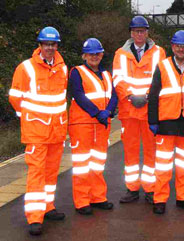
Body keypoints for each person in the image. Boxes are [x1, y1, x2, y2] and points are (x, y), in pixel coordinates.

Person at [8, 26, 68, 236]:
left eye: (53, 44)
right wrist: (26, 117)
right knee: (36, 173)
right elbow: (15, 97)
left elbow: (61, 98)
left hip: (57, 130)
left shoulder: (62, 67)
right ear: (40, 45)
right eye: (47, 44)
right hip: (36, 132)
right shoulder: (26, 68)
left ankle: (47, 207)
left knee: (51, 172)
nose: (50, 48)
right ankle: (35, 216)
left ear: (56, 45)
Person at [148, 30, 184, 214]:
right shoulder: (162, 66)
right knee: (163, 165)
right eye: (178, 45)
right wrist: (153, 120)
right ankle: (160, 199)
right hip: (166, 122)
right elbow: (153, 95)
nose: (181, 49)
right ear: (172, 47)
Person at [112, 16, 166, 204]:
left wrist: (147, 97)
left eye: (142, 31)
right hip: (129, 110)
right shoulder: (120, 54)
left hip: (150, 110)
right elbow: (117, 79)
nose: (139, 34)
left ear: (147, 32)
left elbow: (161, 79)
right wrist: (129, 96)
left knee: (152, 151)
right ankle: (132, 189)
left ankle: (151, 189)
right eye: (136, 31)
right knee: (130, 151)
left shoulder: (159, 53)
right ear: (131, 33)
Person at [68, 38, 117, 215]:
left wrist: (109, 111)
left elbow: (114, 96)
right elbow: (79, 95)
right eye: (90, 54)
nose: (94, 56)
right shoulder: (77, 72)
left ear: (102, 54)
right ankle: (82, 201)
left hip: (102, 125)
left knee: (97, 163)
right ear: (84, 55)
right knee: (82, 164)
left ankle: (98, 197)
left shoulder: (106, 74)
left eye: (97, 53)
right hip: (82, 124)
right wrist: (98, 112)